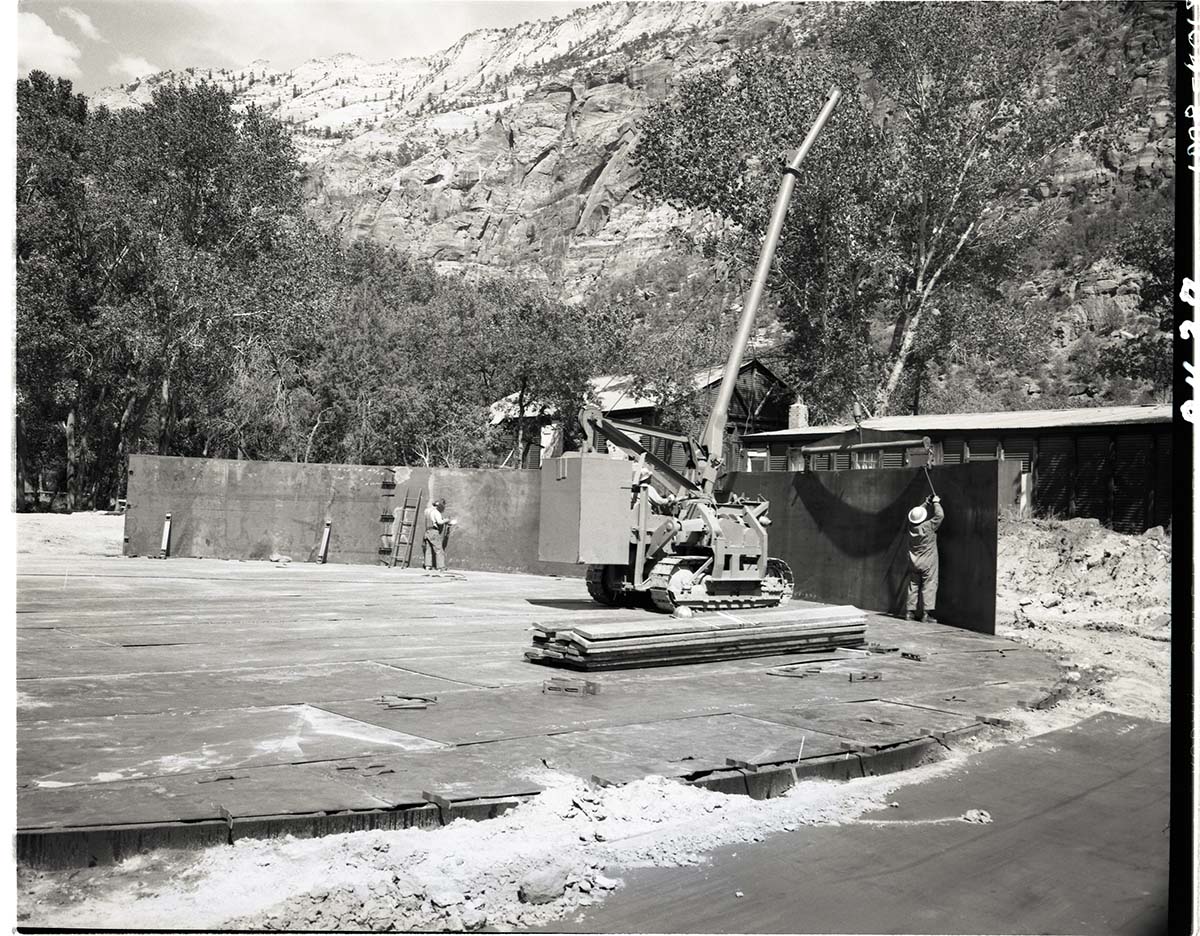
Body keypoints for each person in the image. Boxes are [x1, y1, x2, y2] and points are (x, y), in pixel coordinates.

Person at [905, 494, 943, 621]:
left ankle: (909, 613)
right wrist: (936, 502)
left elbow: (916, 515)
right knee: (929, 585)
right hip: (928, 562)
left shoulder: (911, 527)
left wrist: (926, 503)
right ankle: (926, 615)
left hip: (914, 562)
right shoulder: (928, 526)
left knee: (913, 586)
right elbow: (940, 516)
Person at [422, 497, 456, 570]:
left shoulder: (427, 511)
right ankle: (441, 567)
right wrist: (446, 520)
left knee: (428, 549)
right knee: (439, 549)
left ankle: (428, 566)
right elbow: (440, 522)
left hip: (427, 532)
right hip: (434, 532)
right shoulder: (436, 512)